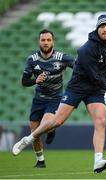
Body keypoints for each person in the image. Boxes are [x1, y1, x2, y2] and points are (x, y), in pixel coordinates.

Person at [12, 14, 106, 173]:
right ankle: (28, 139)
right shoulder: (87, 48)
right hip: (78, 86)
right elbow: (94, 77)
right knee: (57, 121)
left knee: (101, 121)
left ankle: (98, 160)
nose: (105, 29)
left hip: (96, 89)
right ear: (97, 28)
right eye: (102, 27)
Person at [20, 29, 75, 168]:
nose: (45, 42)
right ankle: (40, 161)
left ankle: (51, 129)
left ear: (53, 42)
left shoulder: (62, 57)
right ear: (39, 42)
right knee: (34, 133)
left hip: (55, 99)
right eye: (43, 40)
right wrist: (35, 80)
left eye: (48, 40)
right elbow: (24, 81)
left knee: (45, 124)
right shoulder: (32, 59)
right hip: (38, 100)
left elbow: (79, 68)